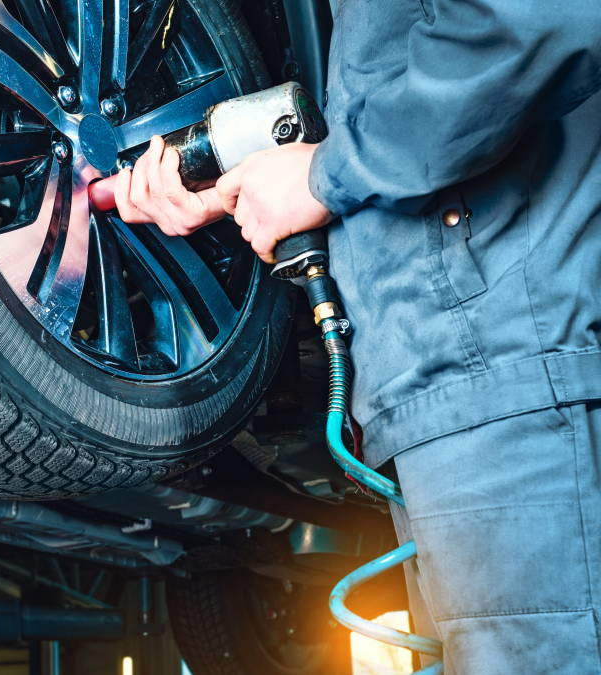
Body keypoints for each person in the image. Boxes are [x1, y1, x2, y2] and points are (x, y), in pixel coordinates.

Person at [102, 2, 601, 671]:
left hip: (508, 372)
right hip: (444, 392)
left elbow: (536, 16)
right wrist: (236, 187)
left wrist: (324, 176)